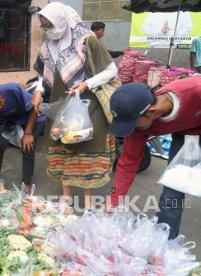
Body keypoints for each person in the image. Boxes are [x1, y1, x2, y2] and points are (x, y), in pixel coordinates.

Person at [107, 73, 201, 239]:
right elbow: (128, 162)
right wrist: (115, 200)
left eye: (131, 124)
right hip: (186, 136)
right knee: (172, 194)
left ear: (151, 112)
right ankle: (164, 247)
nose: (129, 130)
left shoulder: (198, 89)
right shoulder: (139, 128)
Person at [30, 2, 118, 210]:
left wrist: (87, 83)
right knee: (62, 150)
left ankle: (88, 204)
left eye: (48, 25)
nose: (46, 30)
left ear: (61, 21)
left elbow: (111, 70)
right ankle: (66, 197)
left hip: (87, 106)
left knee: (85, 150)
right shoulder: (48, 46)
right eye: (43, 26)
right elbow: (42, 75)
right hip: (60, 105)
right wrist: (38, 91)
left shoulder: (87, 41)